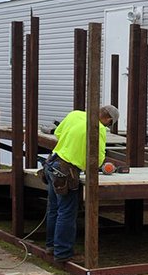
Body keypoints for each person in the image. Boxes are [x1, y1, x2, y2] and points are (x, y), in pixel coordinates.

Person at [44, 104, 119, 264]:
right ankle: (63, 253)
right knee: (66, 212)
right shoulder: (98, 129)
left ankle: (51, 246)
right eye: (109, 123)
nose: (107, 126)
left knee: (54, 209)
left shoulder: (75, 114)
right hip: (66, 171)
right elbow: (97, 159)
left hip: (52, 163)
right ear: (108, 119)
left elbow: (58, 133)